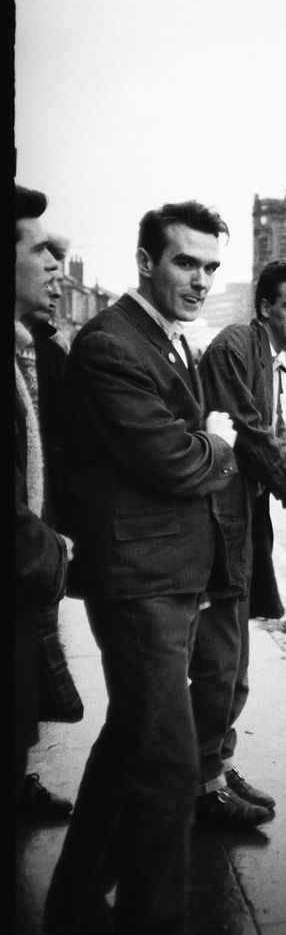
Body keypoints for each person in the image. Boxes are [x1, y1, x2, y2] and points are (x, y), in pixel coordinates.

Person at [42, 200, 241, 935]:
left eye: (211, 267)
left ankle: (70, 907)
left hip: (167, 577)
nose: (200, 280)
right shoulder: (111, 344)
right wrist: (214, 443)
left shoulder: (166, 339)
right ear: (146, 262)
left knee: (131, 742)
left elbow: (179, 450)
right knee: (167, 762)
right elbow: (174, 460)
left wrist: (203, 441)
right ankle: (152, 933)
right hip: (138, 582)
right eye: (186, 262)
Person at [191, 258, 286, 828]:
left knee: (237, 660)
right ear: (265, 306)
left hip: (243, 526)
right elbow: (247, 432)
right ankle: (203, 785)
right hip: (217, 528)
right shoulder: (234, 347)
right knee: (220, 662)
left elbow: (275, 435)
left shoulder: (270, 356)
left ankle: (218, 763)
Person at [17, 231, 82, 821]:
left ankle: (16, 780)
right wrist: (47, 544)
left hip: (36, 547)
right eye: (43, 257)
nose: (57, 275)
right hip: (27, 546)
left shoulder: (41, 347)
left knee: (23, 680)